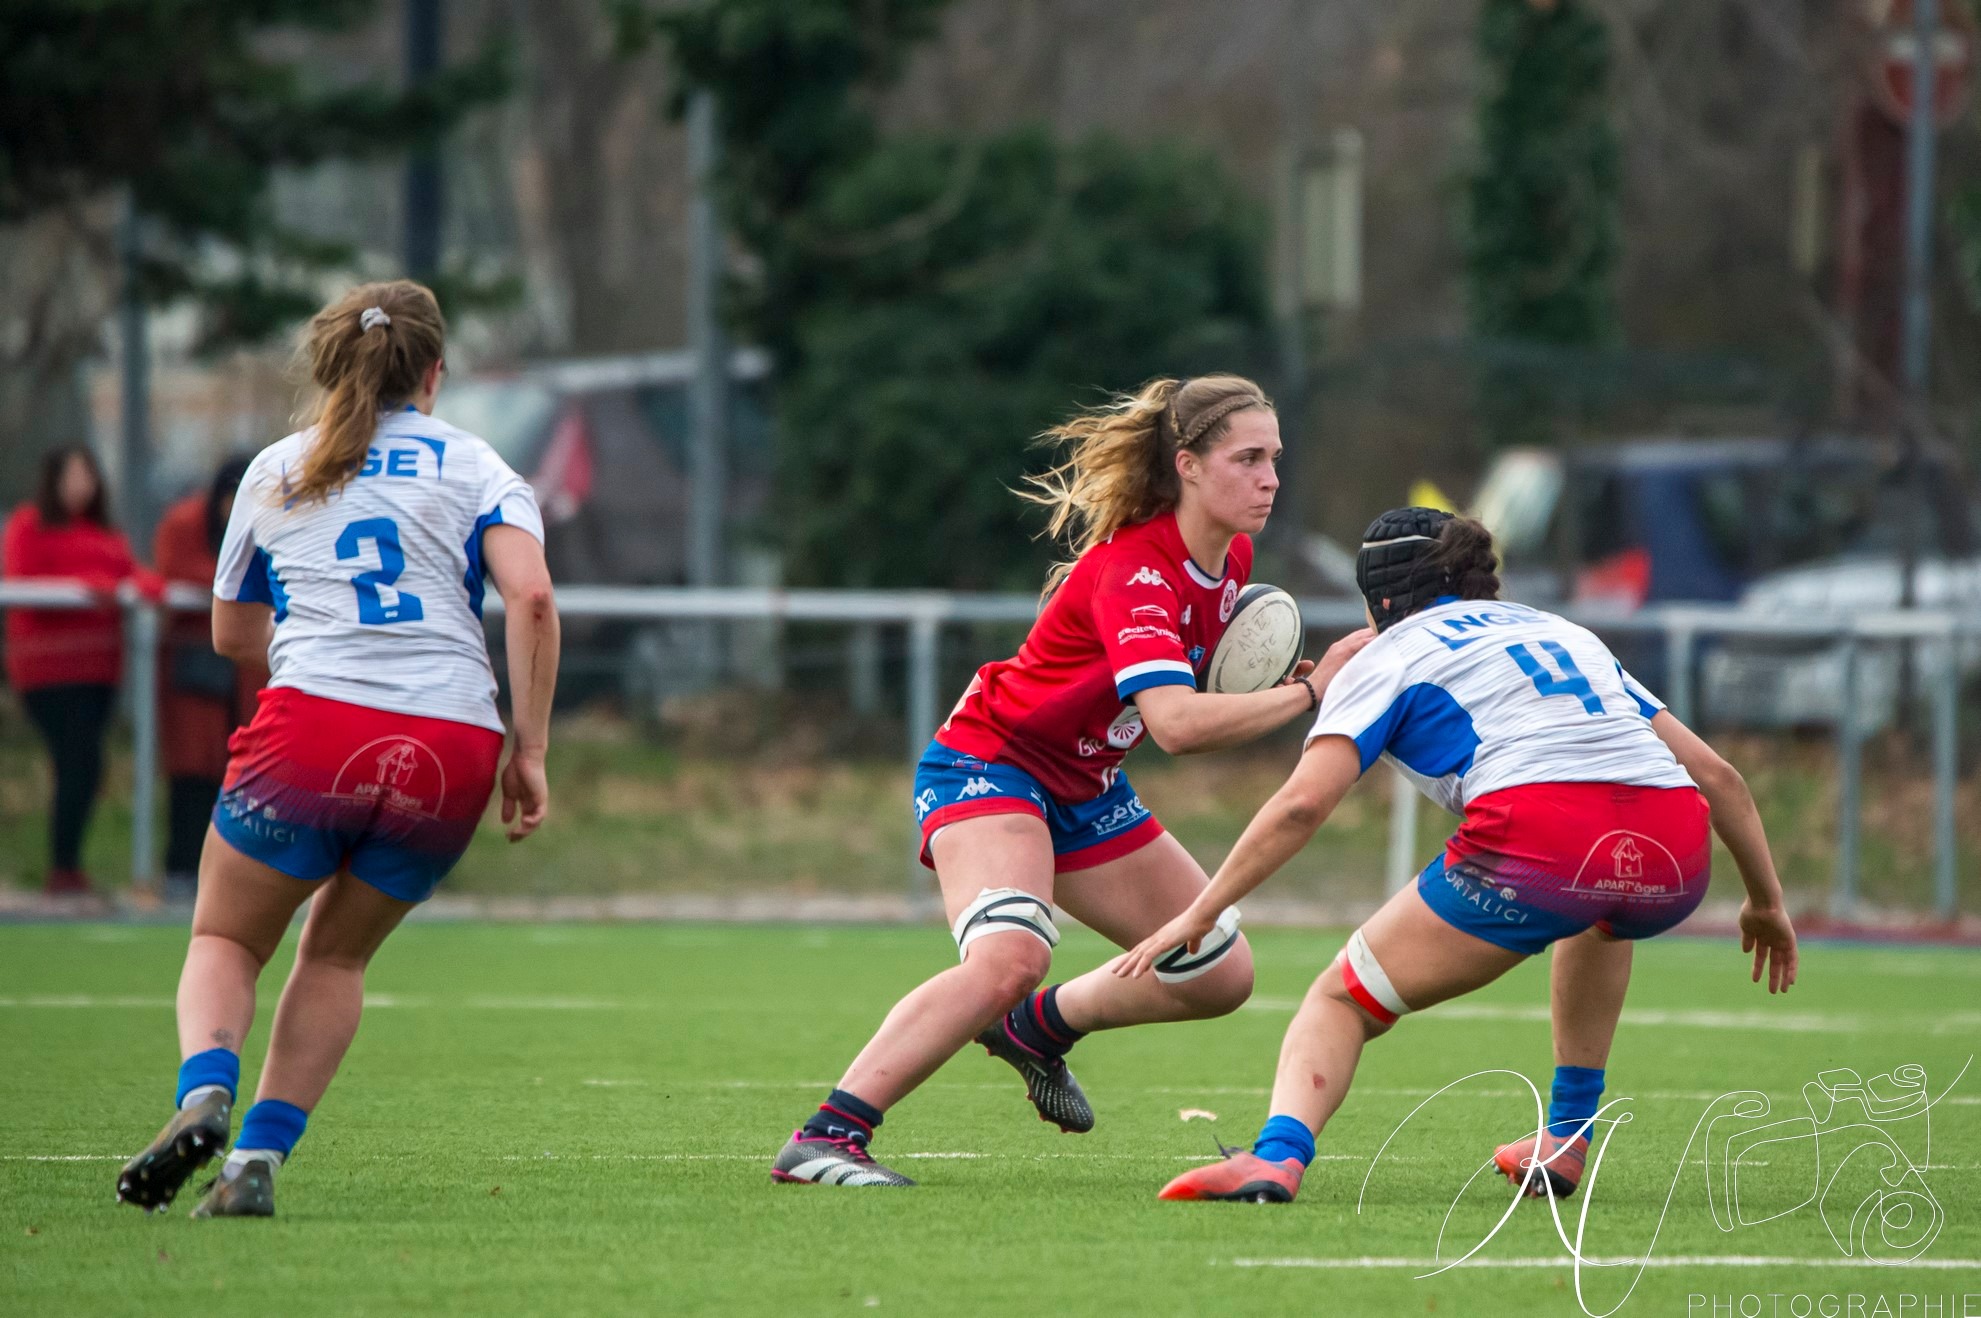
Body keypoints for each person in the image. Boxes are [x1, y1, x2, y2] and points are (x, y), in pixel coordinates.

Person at [770, 375, 1372, 1188]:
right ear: (1188, 466)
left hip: (1085, 783)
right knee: (1007, 956)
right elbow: (1177, 726)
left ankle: (1036, 1029)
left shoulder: (1230, 554)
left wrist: (1271, 684)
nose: (1269, 477)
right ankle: (826, 1136)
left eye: (1274, 458)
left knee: (1220, 972)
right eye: (1248, 458)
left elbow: (1178, 689)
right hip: (993, 763)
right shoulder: (1135, 570)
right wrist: (1307, 695)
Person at [1117, 507, 1799, 1205]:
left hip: (1540, 841)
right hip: (1670, 848)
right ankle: (1564, 1138)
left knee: (1339, 1000)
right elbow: (1717, 777)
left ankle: (1275, 1158)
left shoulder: (1385, 656)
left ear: (1379, 596)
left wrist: (1200, 912)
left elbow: (1300, 806)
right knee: (1602, 916)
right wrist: (1765, 903)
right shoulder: (1561, 631)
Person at [114, 280, 561, 1219]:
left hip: (314, 728)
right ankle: (254, 1167)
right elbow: (530, 599)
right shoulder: (479, 466)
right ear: (434, 373)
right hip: (452, 745)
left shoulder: (278, 468)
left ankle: (204, 1091)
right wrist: (531, 752)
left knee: (228, 936)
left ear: (330, 366)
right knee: (337, 961)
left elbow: (233, 633)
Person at [2, 446, 148, 897]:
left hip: (99, 671)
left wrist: (140, 587)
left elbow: (131, 573)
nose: (81, 483)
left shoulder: (105, 533)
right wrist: (91, 586)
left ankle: (68, 867)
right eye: (72, 474)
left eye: (87, 474)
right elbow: (23, 577)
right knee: (75, 759)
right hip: (48, 671)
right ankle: (62, 868)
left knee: (86, 764)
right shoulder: (29, 526)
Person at [154, 456, 264, 902]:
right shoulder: (184, 523)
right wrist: (235, 584)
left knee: (247, 778)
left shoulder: (267, 520)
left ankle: (241, 879)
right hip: (194, 671)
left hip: (246, 674)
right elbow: (174, 570)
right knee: (193, 776)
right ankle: (181, 868)